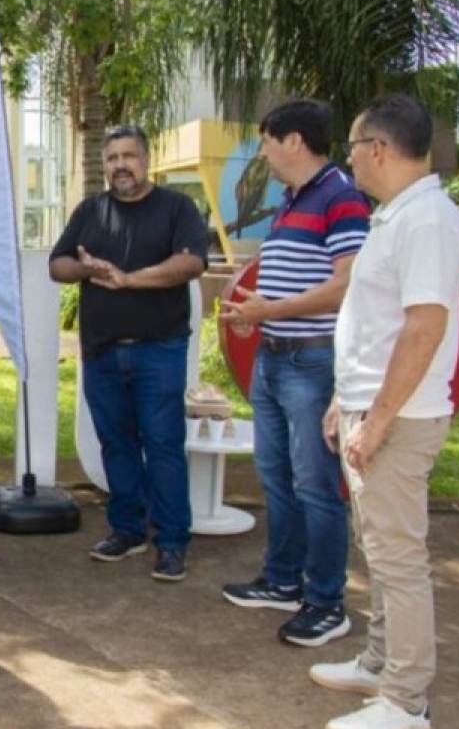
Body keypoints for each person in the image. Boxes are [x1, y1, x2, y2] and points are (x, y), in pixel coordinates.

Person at [310, 95, 459, 729]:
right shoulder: (398, 217)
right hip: (373, 410)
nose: (348, 160)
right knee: (377, 546)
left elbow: (424, 328)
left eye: (351, 147)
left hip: (397, 421)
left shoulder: (426, 220)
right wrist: (344, 401)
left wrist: (374, 421)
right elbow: (375, 326)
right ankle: (379, 661)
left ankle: (405, 700)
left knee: (398, 558)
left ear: (378, 148)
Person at [219, 100, 370, 646]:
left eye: (266, 142)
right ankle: (283, 580)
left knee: (315, 483)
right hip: (274, 355)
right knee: (277, 476)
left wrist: (269, 312)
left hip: (310, 358)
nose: (262, 152)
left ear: (295, 142)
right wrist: (251, 313)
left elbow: (345, 284)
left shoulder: (341, 197)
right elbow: (289, 280)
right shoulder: (290, 201)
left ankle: (327, 601)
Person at [49, 124, 207, 582]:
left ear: (146, 159)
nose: (120, 165)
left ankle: (172, 541)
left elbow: (192, 263)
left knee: (162, 445)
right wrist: (85, 267)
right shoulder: (91, 211)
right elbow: (57, 265)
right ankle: (127, 530)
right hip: (101, 352)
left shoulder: (177, 207)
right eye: (113, 157)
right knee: (116, 444)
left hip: (158, 350)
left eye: (129, 156)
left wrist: (129, 278)